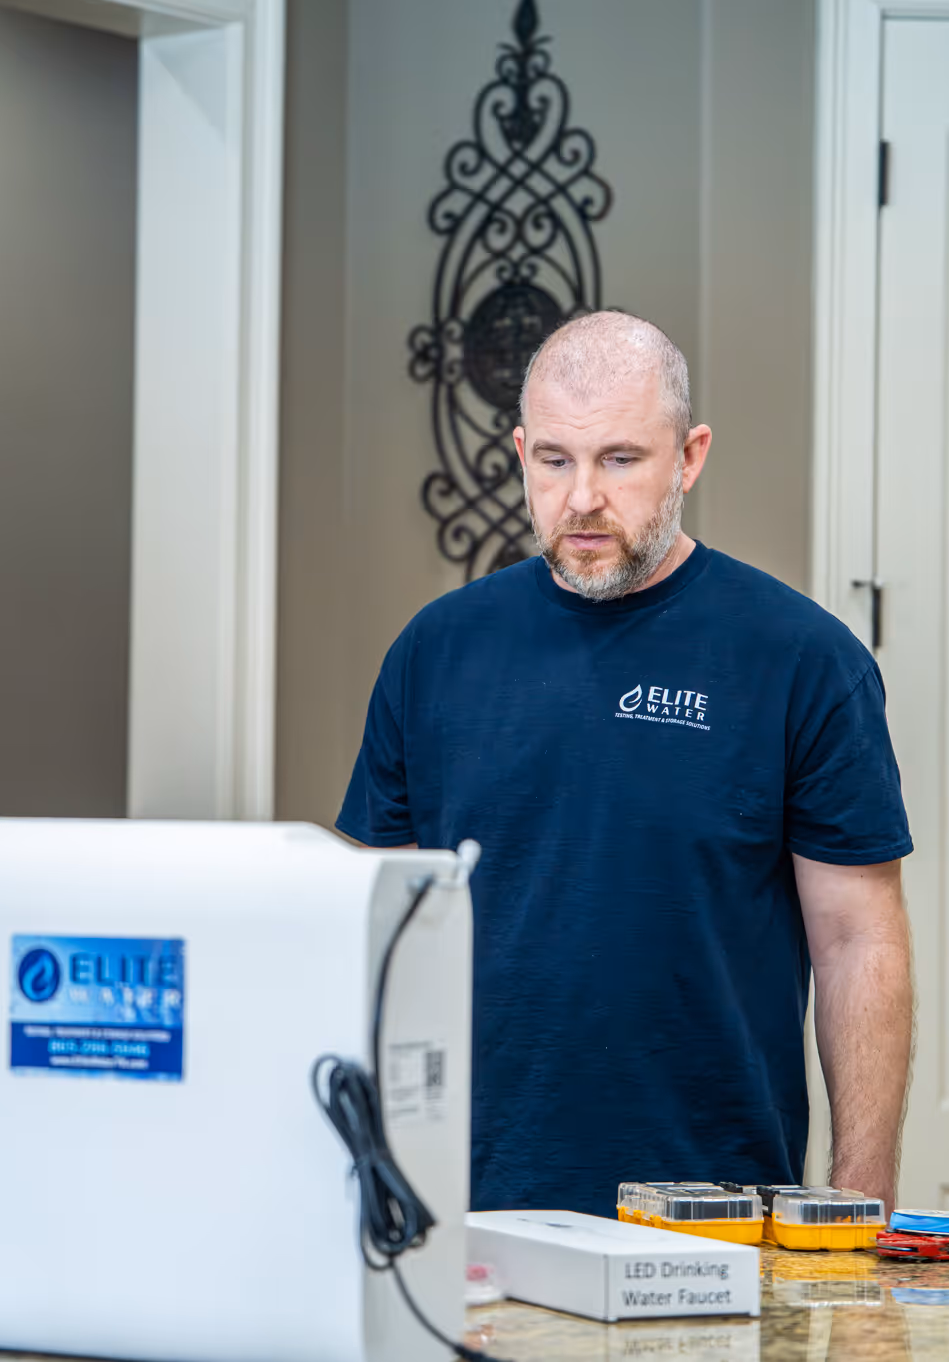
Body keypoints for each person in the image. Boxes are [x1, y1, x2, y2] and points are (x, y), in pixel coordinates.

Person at [337, 310, 914, 1216]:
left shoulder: (803, 658)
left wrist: (861, 1196)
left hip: (715, 1204)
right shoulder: (435, 651)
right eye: (556, 460)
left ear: (688, 457)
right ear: (521, 452)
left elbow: (858, 941)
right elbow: (373, 928)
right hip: (468, 1202)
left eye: (620, 459)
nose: (582, 499)